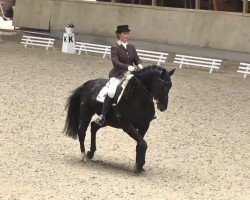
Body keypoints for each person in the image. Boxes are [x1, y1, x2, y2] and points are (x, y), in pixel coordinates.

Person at [95, 25, 143, 126]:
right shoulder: (115, 47)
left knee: (141, 87)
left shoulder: (131, 47)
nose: (126, 35)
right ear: (119, 34)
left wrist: (139, 64)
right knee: (112, 91)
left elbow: (136, 58)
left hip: (130, 74)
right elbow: (115, 62)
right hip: (118, 74)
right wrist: (127, 67)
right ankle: (102, 116)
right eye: (124, 33)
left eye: (127, 33)